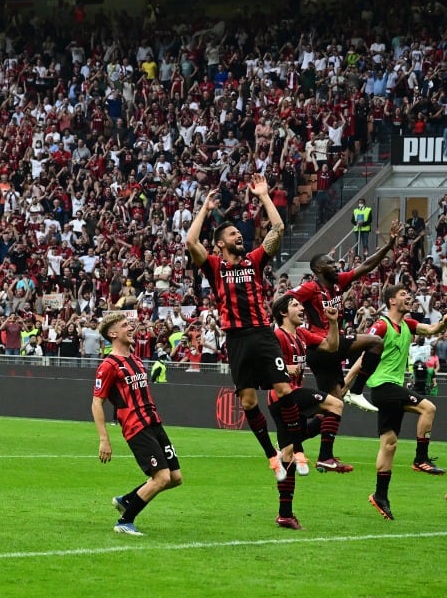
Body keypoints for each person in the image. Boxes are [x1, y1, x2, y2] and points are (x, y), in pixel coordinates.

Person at [186, 175, 302, 482]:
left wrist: (264, 196)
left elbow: (277, 229)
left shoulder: (254, 261)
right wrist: (205, 209)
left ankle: (295, 446)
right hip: (236, 340)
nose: (240, 236)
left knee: (283, 388)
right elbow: (190, 242)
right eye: (234, 234)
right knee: (249, 402)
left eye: (241, 233)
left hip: (262, 334)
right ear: (221, 243)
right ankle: (271, 456)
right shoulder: (213, 266)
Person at [289, 222, 398, 414]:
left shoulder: (339, 282)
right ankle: (355, 391)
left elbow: (366, 266)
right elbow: (283, 302)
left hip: (328, 351)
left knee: (332, 408)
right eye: (330, 263)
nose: (336, 265)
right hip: (322, 344)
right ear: (319, 270)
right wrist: (298, 331)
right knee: (376, 342)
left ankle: (297, 431)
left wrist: (388, 246)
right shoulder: (310, 288)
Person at [92, 312, 183, 536]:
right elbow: (96, 403)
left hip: (154, 423)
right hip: (136, 427)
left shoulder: (136, 360)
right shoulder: (109, 365)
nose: (130, 328)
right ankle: (125, 520)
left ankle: (128, 499)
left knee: (174, 478)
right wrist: (104, 439)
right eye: (125, 326)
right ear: (113, 334)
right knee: (161, 477)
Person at [364, 285, 447, 520]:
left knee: (389, 444)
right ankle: (421, 458)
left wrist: (444, 322)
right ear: (391, 301)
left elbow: (432, 328)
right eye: (403, 295)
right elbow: (365, 346)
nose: (408, 298)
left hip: (392, 387)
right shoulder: (381, 325)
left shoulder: (408, 325)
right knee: (428, 408)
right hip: (382, 386)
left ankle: (380, 496)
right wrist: (351, 383)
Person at [268, 295, 346, 528]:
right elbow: (261, 367)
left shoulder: (301, 335)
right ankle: (325, 457)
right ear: (283, 313)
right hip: (284, 396)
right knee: (336, 404)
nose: (302, 308)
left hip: (290, 399)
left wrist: (333, 322)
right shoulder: (277, 336)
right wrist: (283, 366)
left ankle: (285, 514)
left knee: (289, 455)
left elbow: (331, 346)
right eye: (295, 305)